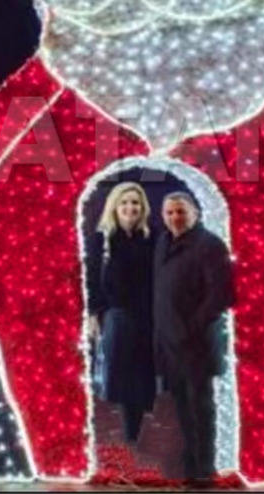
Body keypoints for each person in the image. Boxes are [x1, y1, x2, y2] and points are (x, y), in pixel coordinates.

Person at [154, 192, 235, 484]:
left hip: (196, 343)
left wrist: (191, 328)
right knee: (182, 407)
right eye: (170, 212)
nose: (175, 217)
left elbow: (220, 294)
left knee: (200, 406)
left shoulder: (210, 245)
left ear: (195, 213)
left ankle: (204, 470)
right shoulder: (164, 243)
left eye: (181, 211)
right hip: (170, 341)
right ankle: (190, 467)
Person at [86, 182, 156, 445]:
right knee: (121, 377)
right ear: (115, 206)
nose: (130, 207)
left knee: (142, 377)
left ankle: (134, 436)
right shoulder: (102, 239)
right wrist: (93, 313)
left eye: (135, 202)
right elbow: (92, 278)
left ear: (142, 207)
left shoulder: (151, 237)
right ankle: (126, 435)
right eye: (124, 202)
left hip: (147, 316)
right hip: (117, 315)